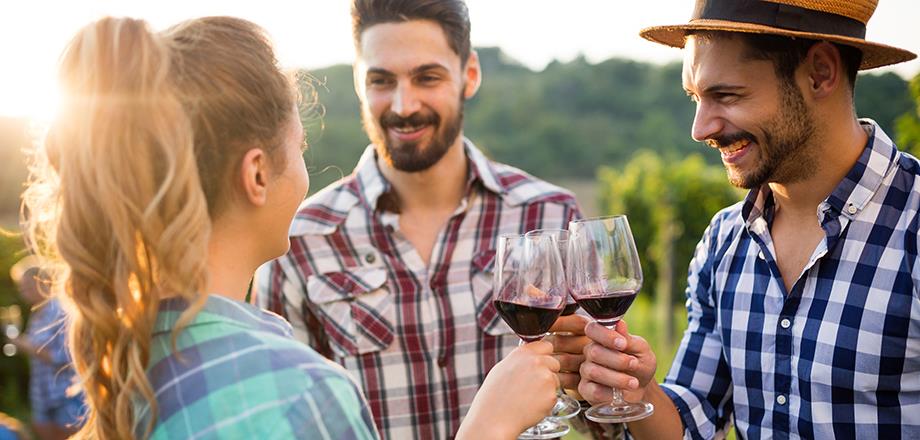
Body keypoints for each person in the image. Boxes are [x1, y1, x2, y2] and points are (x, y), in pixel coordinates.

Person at [22, 15, 562, 440]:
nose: (403, 103)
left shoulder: (136, 361)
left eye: (426, 76)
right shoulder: (302, 393)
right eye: (300, 147)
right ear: (257, 174)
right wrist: (490, 426)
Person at [576, 0, 920, 438]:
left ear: (820, 72)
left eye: (725, 95)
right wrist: (635, 392)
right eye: (695, 98)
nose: (700, 129)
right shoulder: (722, 241)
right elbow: (694, 420)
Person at [255, 0, 590, 438]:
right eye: (381, 80)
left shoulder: (550, 215)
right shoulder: (298, 239)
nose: (404, 104)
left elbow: (594, 418)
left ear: (469, 74)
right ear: (358, 81)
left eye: (426, 77)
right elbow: (286, 425)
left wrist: (598, 381)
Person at [9, 256, 84, 439]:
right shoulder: (38, 314)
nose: (22, 292)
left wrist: (28, 347)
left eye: (26, 286)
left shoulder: (60, 312)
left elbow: (68, 357)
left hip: (63, 398)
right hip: (43, 396)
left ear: (41, 282)